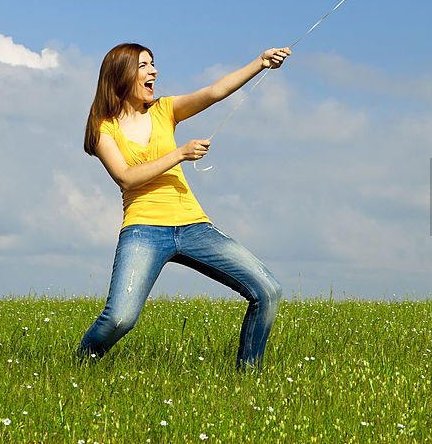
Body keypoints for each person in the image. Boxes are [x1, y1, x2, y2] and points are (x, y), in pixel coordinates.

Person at [77, 42, 290, 371]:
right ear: (121, 75)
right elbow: (127, 178)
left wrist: (260, 62)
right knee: (120, 319)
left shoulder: (165, 110)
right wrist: (179, 154)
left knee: (268, 290)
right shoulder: (104, 128)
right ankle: (81, 364)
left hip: (193, 225)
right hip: (144, 229)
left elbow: (215, 91)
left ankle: (250, 375)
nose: (154, 71)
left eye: (153, 64)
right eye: (144, 66)